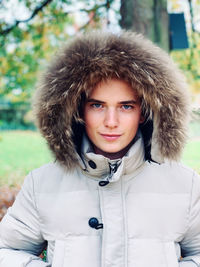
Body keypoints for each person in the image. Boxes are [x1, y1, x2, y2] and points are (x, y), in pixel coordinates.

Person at [0, 30, 200, 267]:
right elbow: (7, 249)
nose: (111, 121)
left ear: (144, 112)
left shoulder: (184, 185)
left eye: (126, 107)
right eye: (97, 105)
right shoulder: (43, 184)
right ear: (77, 109)